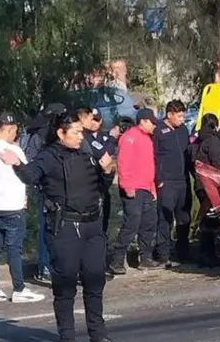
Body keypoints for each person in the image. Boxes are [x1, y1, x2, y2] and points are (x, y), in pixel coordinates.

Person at [0, 111, 125, 342]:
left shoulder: (87, 152)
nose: (81, 136)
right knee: (66, 285)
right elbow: (30, 175)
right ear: (60, 133)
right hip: (65, 228)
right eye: (76, 132)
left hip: (92, 227)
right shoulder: (49, 156)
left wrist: (107, 171)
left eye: (82, 131)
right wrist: (17, 164)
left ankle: (98, 337)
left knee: (94, 281)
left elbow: (100, 185)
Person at [0, 112, 45, 304]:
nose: (15, 136)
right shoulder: (12, 151)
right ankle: (19, 288)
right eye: (14, 131)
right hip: (12, 206)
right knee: (14, 249)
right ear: (8, 129)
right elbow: (27, 174)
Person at [108, 108, 160, 274]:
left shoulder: (147, 139)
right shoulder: (130, 137)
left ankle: (145, 258)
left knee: (149, 222)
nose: (154, 126)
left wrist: (152, 187)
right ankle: (117, 260)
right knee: (132, 223)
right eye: (152, 123)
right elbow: (123, 163)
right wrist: (127, 185)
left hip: (146, 187)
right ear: (143, 121)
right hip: (133, 188)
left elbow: (148, 165)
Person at [22, 102, 67, 285]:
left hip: (55, 187)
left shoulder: (40, 132)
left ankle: (53, 266)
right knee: (48, 229)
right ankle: (46, 268)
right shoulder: (41, 135)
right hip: (46, 189)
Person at [153, 100, 193, 265]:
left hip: (183, 180)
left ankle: (183, 253)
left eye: (183, 116)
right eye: (179, 116)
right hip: (167, 182)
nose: (182, 119)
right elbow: (153, 156)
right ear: (169, 115)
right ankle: (163, 254)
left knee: (184, 217)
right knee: (165, 219)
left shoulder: (183, 130)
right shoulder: (159, 132)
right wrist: (158, 178)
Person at [190, 112, 220, 267]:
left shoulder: (197, 141)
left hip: (199, 184)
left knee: (205, 218)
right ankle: (209, 255)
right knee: (210, 219)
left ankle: (204, 253)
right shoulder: (213, 141)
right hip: (210, 185)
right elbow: (217, 162)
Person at [76, 106, 119, 235]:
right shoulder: (83, 137)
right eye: (91, 119)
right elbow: (103, 153)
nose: (93, 122)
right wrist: (112, 139)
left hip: (101, 182)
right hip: (88, 185)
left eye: (96, 119)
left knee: (103, 218)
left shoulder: (103, 136)